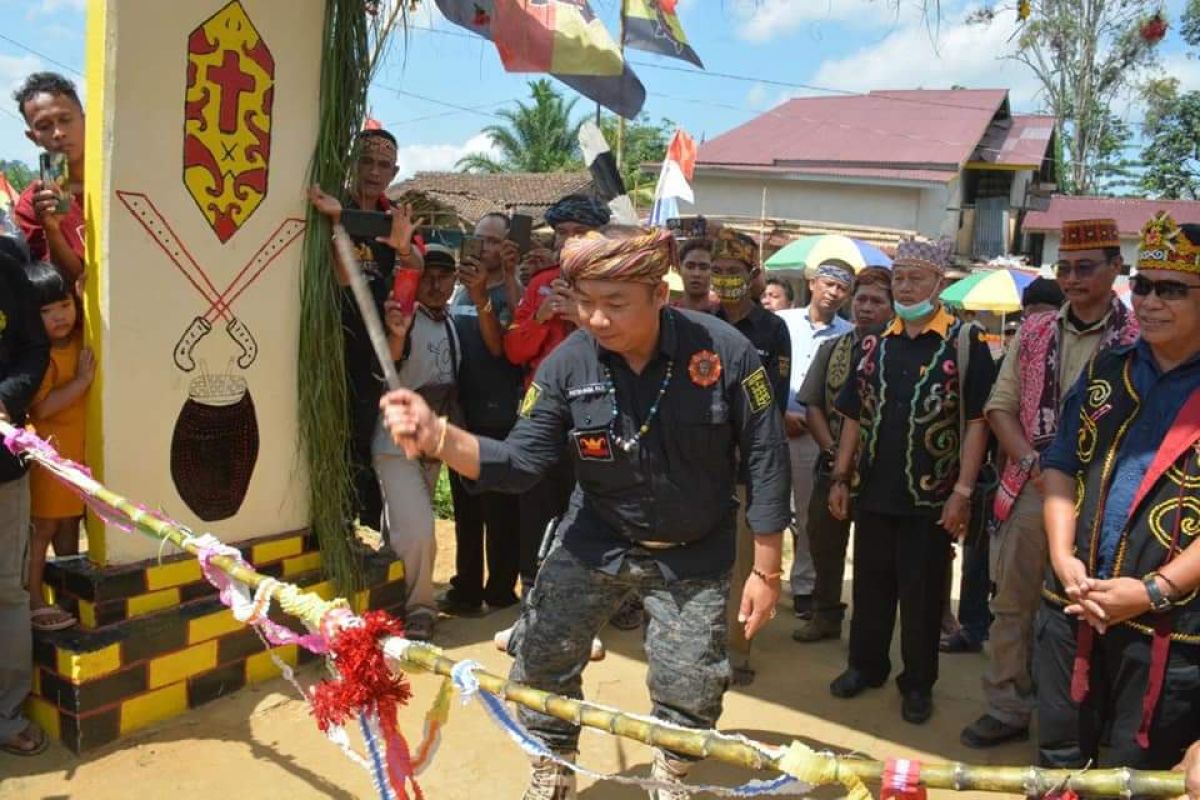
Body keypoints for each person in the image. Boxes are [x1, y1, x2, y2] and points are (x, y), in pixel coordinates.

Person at [379, 226, 791, 800]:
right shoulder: (566, 364)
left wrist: (766, 571)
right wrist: (439, 437)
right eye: (585, 302)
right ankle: (553, 763)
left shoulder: (726, 352)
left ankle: (671, 775)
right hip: (595, 537)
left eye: (615, 304)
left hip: (693, 550)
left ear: (659, 294)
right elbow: (523, 461)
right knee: (541, 657)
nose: (597, 319)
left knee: (692, 684)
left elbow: (768, 455)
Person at [960, 218, 1138, 749]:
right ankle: (1007, 707)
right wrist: (1037, 467)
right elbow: (999, 406)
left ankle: (1086, 716)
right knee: (1012, 603)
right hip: (1031, 488)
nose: (1073, 278)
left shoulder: (1136, 337)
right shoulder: (1034, 330)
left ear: (1115, 270)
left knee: (1089, 609)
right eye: (1064, 268)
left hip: (1103, 498)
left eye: (1086, 268)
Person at [1034, 213, 1200, 770]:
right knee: (1058, 756)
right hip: (1074, 603)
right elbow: (1059, 461)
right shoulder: (1111, 367)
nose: (1150, 301)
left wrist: (1153, 591)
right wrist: (1061, 556)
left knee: (1136, 772)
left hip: (1170, 624)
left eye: (1171, 289)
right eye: (1144, 286)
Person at [828, 238, 996, 725]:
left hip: (932, 497)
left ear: (939, 284)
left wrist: (963, 492)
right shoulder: (874, 342)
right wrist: (841, 475)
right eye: (899, 277)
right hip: (874, 490)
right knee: (870, 587)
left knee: (923, 597)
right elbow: (853, 415)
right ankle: (866, 666)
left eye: (915, 278)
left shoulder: (965, 343)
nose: (905, 285)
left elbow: (977, 423)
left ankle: (917, 684)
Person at [307, 129, 424, 534]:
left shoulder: (395, 217)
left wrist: (405, 248)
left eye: (383, 165)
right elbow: (343, 279)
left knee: (367, 445)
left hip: (380, 350)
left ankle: (364, 531)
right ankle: (333, 528)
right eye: (366, 161)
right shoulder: (328, 205)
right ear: (352, 164)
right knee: (334, 444)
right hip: (332, 343)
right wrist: (338, 222)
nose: (374, 171)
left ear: (394, 172)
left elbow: (418, 272)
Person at [501, 195, 609, 600]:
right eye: (562, 233)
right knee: (534, 495)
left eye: (578, 233)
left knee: (593, 498)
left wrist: (583, 317)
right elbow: (514, 350)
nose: (567, 242)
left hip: (597, 409)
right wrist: (541, 316)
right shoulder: (539, 283)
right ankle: (533, 583)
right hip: (544, 407)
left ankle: (597, 590)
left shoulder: (613, 284)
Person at [792, 266, 893, 643]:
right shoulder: (832, 347)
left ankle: (869, 627)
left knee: (873, 554)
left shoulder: (898, 351)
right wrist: (833, 451)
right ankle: (825, 615)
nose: (866, 308)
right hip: (831, 463)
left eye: (877, 301)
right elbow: (813, 403)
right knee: (824, 542)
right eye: (862, 299)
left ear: (892, 308)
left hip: (880, 470)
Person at [710, 228, 791, 686]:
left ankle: (737, 651)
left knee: (746, 561)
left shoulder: (772, 330)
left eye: (734, 271)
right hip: (707, 463)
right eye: (717, 271)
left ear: (754, 275)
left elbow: (771, 402)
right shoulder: (702, 322)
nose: (724, 279)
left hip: (747, 464)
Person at [373, 245, 463, 641]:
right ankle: (420, 608)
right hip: (395, 442)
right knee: (420, 529)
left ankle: (391, 598)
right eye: (429, 275)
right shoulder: (406, 320)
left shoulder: (451, 324)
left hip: (429, 443)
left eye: (445, 276)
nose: (437, 283)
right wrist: (397, 334)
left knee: (402, 529)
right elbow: (390, 360)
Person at [439, 212, 525, 615]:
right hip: (461, 414)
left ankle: (501, 592)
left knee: (501, 512)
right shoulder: (456, 291)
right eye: (479, 239)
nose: (484, 248)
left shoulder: (512, 292)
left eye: (493, 241)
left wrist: (482, 297)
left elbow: (499, 349)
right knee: (466, 511)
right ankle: (467, 589)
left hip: (500, 415)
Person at [776, 261, 853, 618]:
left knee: (809, 515)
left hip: (814, 434)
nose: (833, 293)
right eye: (828, 284)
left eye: (841, 288)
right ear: (811, 284)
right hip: (772, 427)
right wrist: (779, 414)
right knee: (764, 509)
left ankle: (804, 586)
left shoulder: (848, 334)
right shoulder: (782, 322)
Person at [0, 245, 50, 757]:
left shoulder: (6, 269)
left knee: (5, 592)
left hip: (1, 466)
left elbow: (33, 349)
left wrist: (5, 398)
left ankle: (4, 713)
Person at [24, 261, 94, 633]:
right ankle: (34, 599)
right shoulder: (43, 356)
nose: (59, 317)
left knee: (69, 528)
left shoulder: (83, 336)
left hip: (75, 456)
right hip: (50, 457)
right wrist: (82, 382)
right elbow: (41, 407)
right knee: (44, 530)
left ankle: (68, 598)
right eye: (46, 311)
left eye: (64, 305)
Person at [13, 72, 86, 281]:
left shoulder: (119, 177)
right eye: (44, 127)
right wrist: (52, 229)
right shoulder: (33, 204)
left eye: (65, 119)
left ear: (85, 120)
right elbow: (64, 282)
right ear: (33, 137)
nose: (58, 133)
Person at [674, 238, 717, 313]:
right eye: (690, 267)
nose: (696, 274)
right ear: (679, 268)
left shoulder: (725, 313)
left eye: (704, 268)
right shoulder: (668, 314)